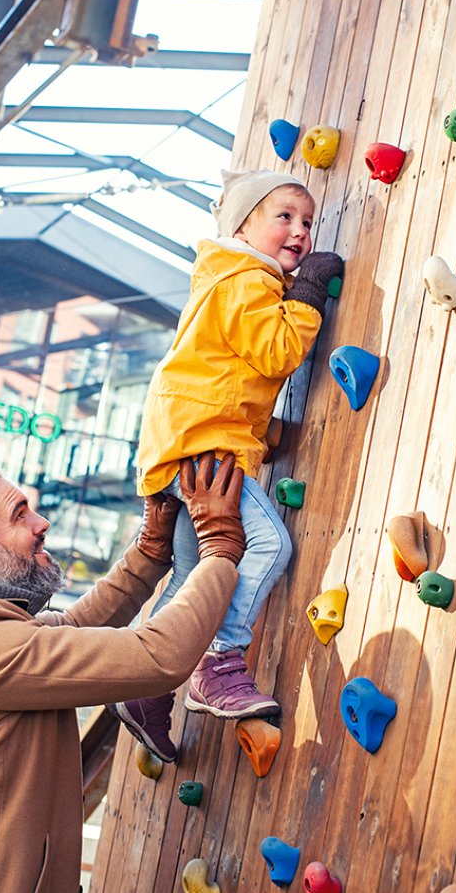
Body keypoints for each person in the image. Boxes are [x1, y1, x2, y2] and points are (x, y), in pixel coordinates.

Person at [0, 452, 244, 893]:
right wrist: (220, 547)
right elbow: (161, 656)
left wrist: (150, 551)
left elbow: (75, 628)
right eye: (20, 515)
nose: (41, 523)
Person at [110, 169, 345, 763]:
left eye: (308, 222)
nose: (299, 231)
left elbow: (227, 376)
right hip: (204, 445)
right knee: (267, 546)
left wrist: (266, 433)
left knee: (195, 578)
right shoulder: (247, 280)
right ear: (243, 226)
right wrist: (310, 291)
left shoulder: (222, 280)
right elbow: (275, 351)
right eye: (284, 216)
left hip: (182, 439)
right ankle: (219, 663)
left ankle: (144, 689)